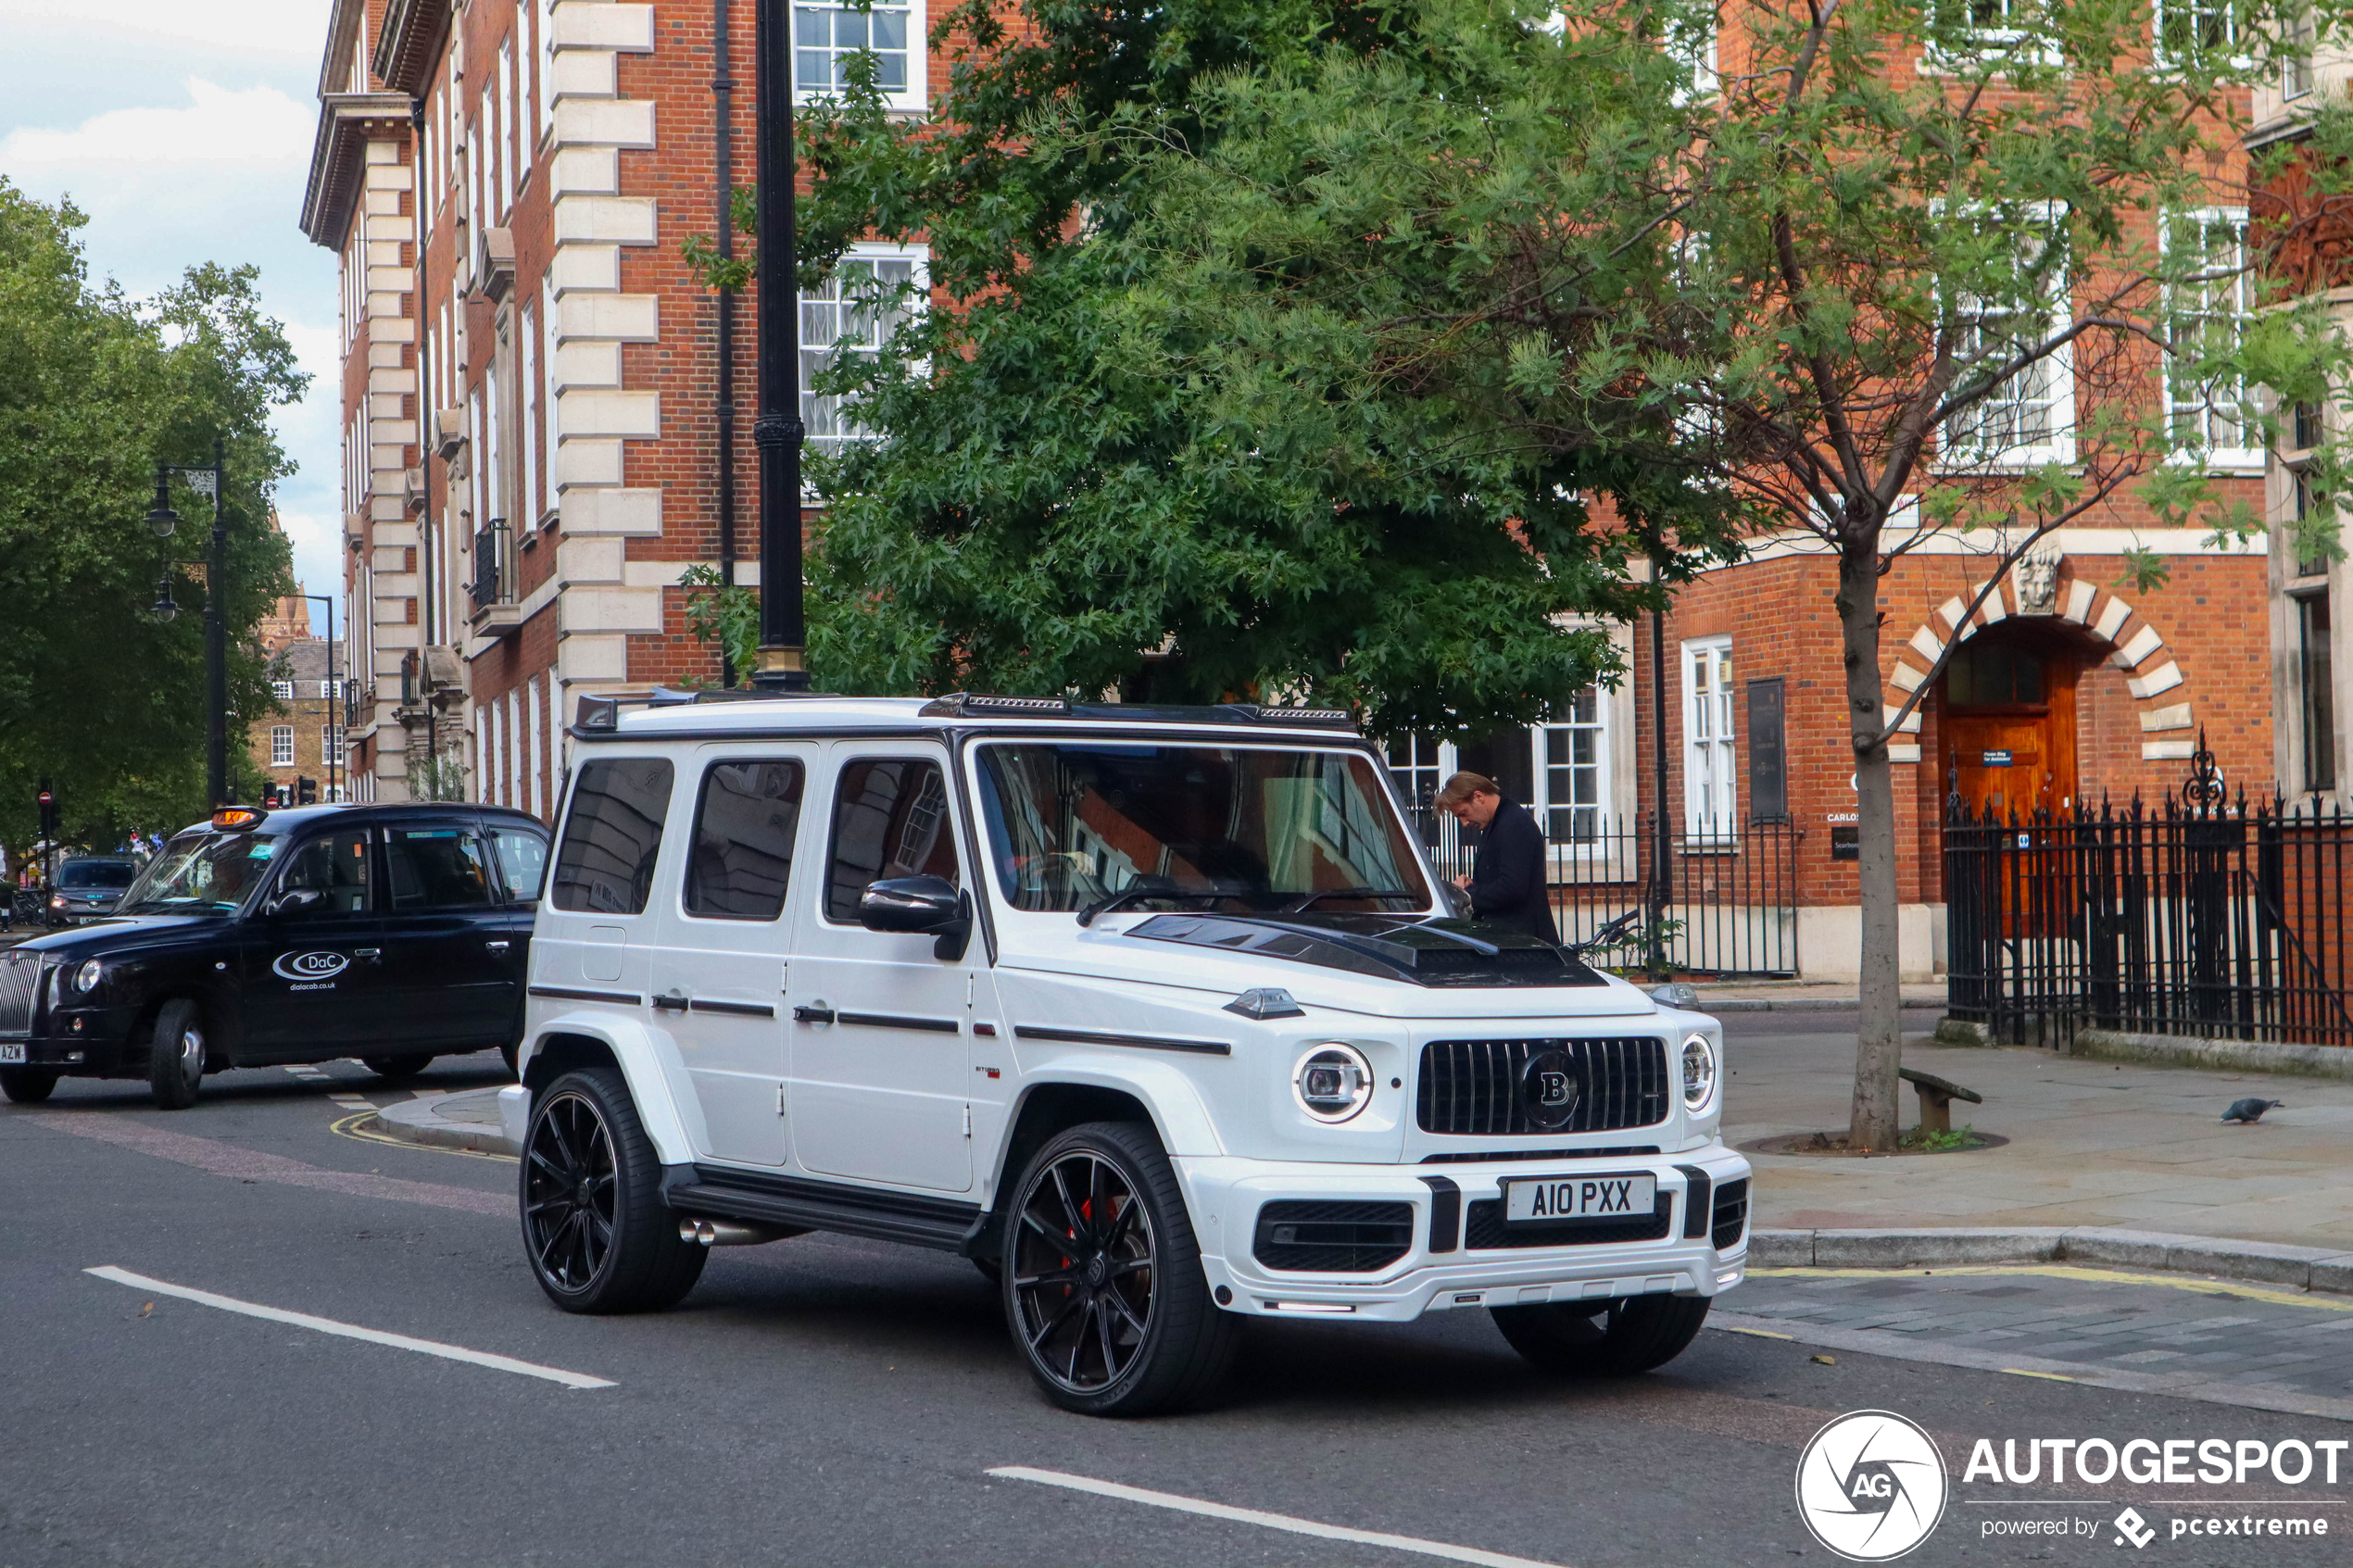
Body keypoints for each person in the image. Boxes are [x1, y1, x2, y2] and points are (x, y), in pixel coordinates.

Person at [1434, 771, 1557, 943]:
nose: (1464, 823)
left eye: (1463, 813)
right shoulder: (1500, 822)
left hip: (1523, 943)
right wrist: (1474, 886)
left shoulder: (1513, 824)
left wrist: (1466, 895)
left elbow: (1512, 888)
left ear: (1478, 797)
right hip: (1514, 940)